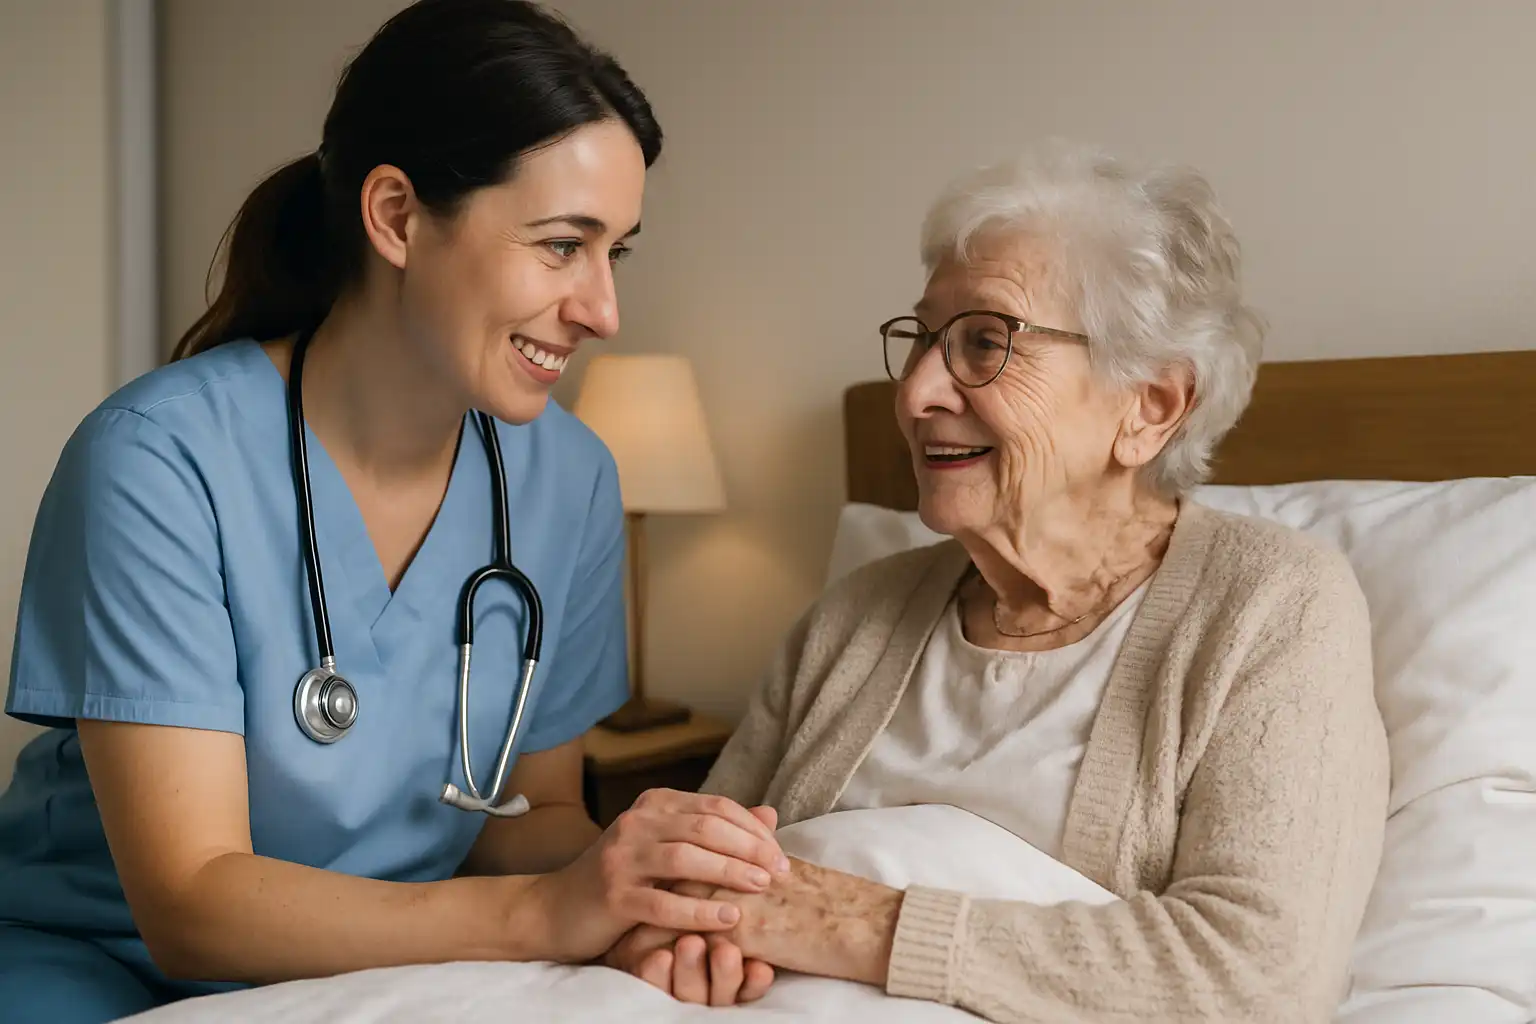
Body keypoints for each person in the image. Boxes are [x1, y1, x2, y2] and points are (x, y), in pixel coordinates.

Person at [0, 2, 789, 1021]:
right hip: (97, 959)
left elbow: (526, 816)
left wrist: (644, 892)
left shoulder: (572, 478)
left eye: (615, 253)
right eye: (561, 246)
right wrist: (540, 916)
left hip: (403, 958)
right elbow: (188, 902)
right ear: (397, 217)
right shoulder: (158, 461)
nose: (602, 309)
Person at [609, 142, 1391, 1022]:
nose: (915, 393)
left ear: (1152, 405)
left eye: (986, 341)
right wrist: (672, 938)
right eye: (923, 339)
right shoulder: (854, 619)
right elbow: (680, 885)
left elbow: (1258, 979)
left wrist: (847, 922)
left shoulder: (1273, 607)